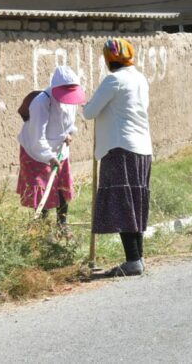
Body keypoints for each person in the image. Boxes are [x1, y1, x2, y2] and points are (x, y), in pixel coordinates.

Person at [83, 38, 153, 278]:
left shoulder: (114, 80)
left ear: (109, 59)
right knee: (135, 202)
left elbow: (89, 111)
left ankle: (133, 261)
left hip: (120, 147)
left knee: (124, 204)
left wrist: (88, 101)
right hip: (142, 148)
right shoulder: (140, 78)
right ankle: (138, 258)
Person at [16, 66, 86, 230]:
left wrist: (69, 133)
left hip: (59, 149)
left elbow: (68, 123)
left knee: (62, 187)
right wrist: (49, 156)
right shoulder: (41, 102)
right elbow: (37, 137)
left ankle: (62, 225)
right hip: (36, 151)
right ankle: (41, 230)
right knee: (43, 191)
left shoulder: (71, 100)